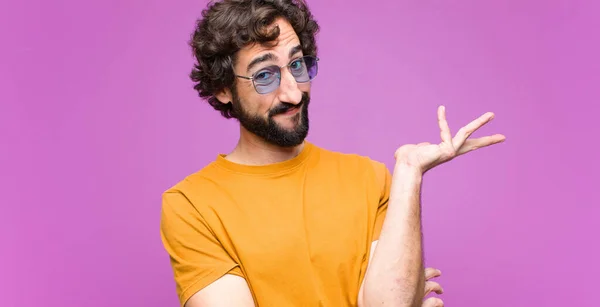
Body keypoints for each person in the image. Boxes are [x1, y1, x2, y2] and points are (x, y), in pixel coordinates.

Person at [159, 0, 506, 306]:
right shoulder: (191, 205)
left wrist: (409, 173)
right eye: (265, 75)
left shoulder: (370, 179)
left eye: (297, 65)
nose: (294, 93)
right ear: (223, 88)